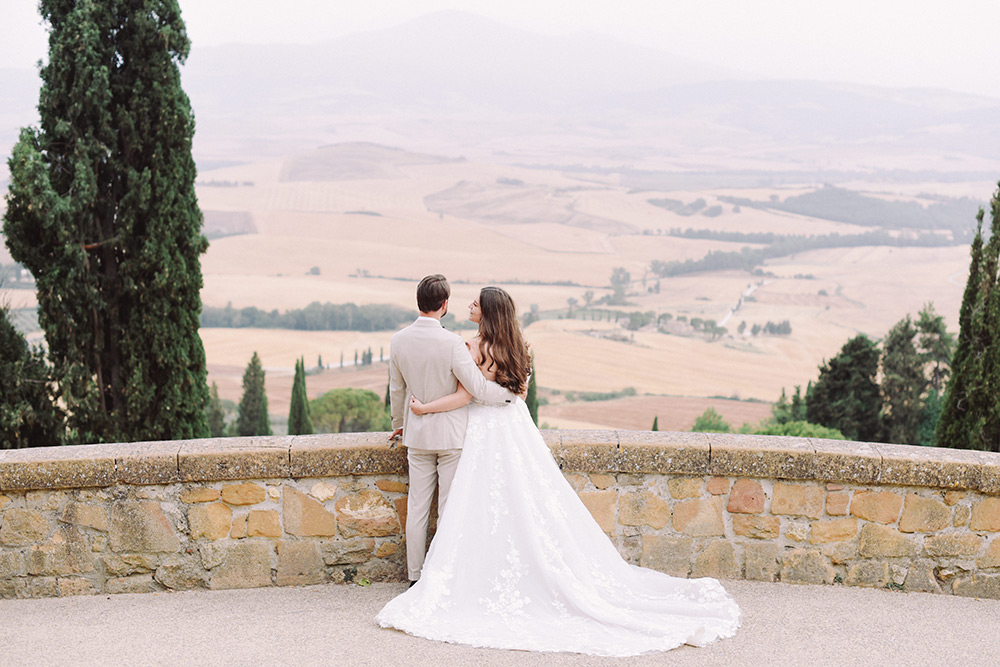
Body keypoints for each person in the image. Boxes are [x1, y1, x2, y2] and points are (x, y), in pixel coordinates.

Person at [376, 286, 741, 656]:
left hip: (477, 432)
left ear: (486, 312)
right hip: (512, 427)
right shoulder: (519, 347)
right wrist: (507, 399)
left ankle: (434, 574)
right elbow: (514, 391)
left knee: (471, 505)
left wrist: (416, 412)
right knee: (518, 498)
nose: (468, 306)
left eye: (474, 303)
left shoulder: (469, 347)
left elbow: (466, 394)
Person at [388, 275, 516, 586]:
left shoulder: (398, 340)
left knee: (417, 508)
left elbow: (397, 390)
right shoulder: (453, 344)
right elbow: (476, 389)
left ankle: (415, 576)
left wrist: (399, 425)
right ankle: (440, 575)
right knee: (447, 508)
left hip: (416, 435)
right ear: (444, 305)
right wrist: (510, 396)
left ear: (419, 301)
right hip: (451, 436)